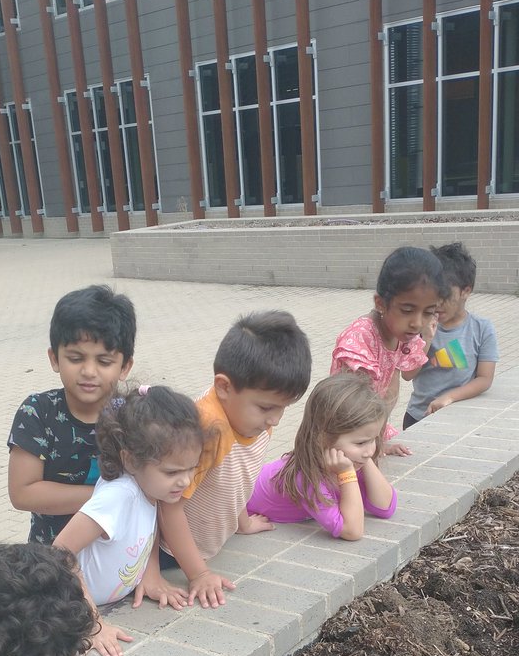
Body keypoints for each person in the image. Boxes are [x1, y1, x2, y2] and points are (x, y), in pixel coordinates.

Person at [159, 311, 313, 603]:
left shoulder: (250, 418)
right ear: (224, 387)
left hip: (206, 543)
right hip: (170, 554)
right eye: (267, 408)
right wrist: (199, 574)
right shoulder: (205, 431)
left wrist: (241, 522)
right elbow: (168, 507)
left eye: (285, 408)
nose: (276, 420)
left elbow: (240, 475)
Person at [54, 385, 205, 656]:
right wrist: (91, 623)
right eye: (172, 471)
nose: (185, 481)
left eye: (191, 468)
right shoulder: (119, 496)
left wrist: (149, 574)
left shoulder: (153, 487)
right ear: (131, 460)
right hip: (57, 607)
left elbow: (147, 529)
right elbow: (61, 551)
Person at [7, 284, 136, 544]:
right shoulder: (38, 412)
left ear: (125, 366)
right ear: (54, 359)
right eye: (76, 358)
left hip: (120, 556)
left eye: (104, 361)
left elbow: (154, 492)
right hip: (53, 561)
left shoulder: (133, 416)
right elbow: (23, 492)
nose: (89, 371)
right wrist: (107, 498)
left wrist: (151, 572)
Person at [247, 373, 396, 540]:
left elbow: (385, 507)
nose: (370, 451)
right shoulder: (306, 477)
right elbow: (352, 531)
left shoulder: (351, 458)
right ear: (323, 438)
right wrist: (347, 474)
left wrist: (365, 459)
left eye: (373, 439)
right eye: (360, 443)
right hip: (240, 503)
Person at [330, 247, 448, 456]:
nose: (417, 323)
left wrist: (427, 338)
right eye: (407, 310)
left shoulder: (399, 333)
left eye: (428, 312)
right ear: (381, 303)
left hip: (372, 427)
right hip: (344, 434)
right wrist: (373, 444)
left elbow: (408, 373)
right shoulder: (360, 340)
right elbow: (351, 408)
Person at [402, 242, 498, 428]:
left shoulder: (481, 328)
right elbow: (407, 374)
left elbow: (485, 378)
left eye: (445, 295)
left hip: (458, 418)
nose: (437, 303)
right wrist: (426, 339)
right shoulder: (419, 325)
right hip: (418, 417)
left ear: (466, 291)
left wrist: (449, 397)